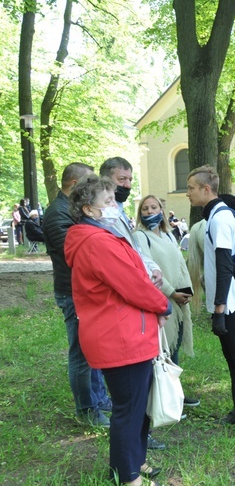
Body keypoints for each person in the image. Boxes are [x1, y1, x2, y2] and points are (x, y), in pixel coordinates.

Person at [65, 174, 171, 486]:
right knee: (128, 409)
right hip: (119, 338)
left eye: (114, 199)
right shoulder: (97, 242)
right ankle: (128, 477)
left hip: (127, 333)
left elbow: (133, 276)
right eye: (108, 201)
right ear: (89, 210)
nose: (115, 206)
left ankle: (133, 462)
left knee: (137, 407)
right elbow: (131, 284)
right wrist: (162, 305)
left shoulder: (103, 236)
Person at [186, 165, 235, 438]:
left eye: (192, 188)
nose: (188, 193)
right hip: (228, 301)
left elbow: (224, 265)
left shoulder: (219, 219)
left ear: (207, 189)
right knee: (232, 359)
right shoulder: (215, 216)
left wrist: (219, 309)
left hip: (229, 304)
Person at [100, 157, 166, 451]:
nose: (126, 186)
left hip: (136, 310)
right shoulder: (99, 226)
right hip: (121, 316)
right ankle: (128, 468)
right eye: (120, 181)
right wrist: (160, 304)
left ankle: (134, 456)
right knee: (128, 399)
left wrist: (151, 268)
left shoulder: (118, 213)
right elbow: (124, 274)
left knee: (138, 392)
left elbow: (135, 252)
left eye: (129, 180)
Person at [42, 162, 112, 427]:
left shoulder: (68, 210)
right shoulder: (57, 213)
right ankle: (87, 409)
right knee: (81, 354)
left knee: (92, 350)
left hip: (83, 291)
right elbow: (77, 253)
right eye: (87, 185)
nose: (91, 191)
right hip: (72, 293)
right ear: (74, 186)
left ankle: (99, 399)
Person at [134, 195, 200, 408]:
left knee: (174, 346)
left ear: (162, 210)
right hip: (160, 299)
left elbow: (179, 263)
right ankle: (164, 399)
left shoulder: (168, 235)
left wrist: (186, 291)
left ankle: (176, 394)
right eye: (145, 208)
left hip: (179, 300)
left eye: (154, 207)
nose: (149, 211)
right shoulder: (139, 237)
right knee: (162, 350)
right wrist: (171, 292)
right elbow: (148, 271)